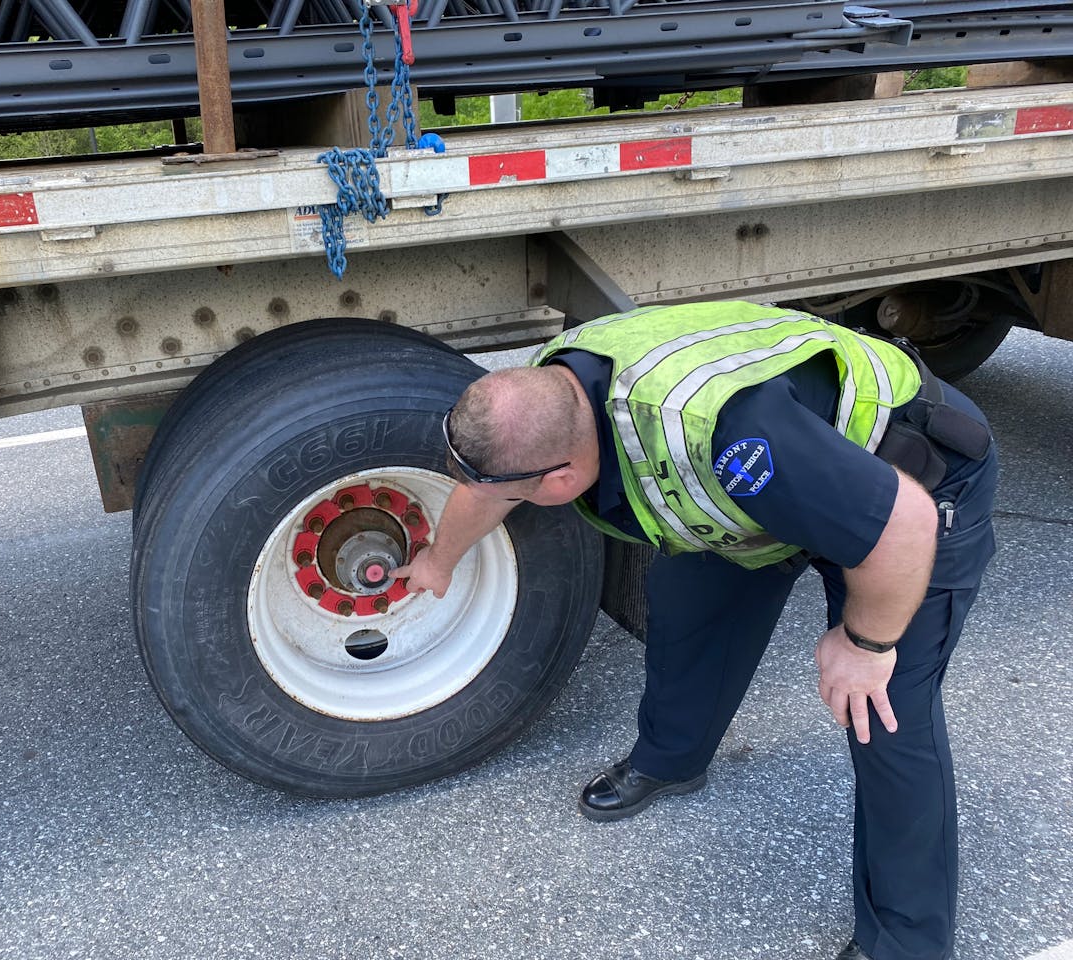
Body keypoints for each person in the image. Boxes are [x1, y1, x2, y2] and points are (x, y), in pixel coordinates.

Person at [392, 301, 997, 960]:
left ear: (561, 479)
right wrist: (438, 560)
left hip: (907, 483)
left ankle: (907, 941)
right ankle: (671, 761)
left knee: (884, 712)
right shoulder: (547, 393)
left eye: (526, 491)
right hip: (767, 501)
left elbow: (903, 523)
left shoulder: (725, 434)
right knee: (687, 613)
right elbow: (494, 480)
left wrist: (867, 643)